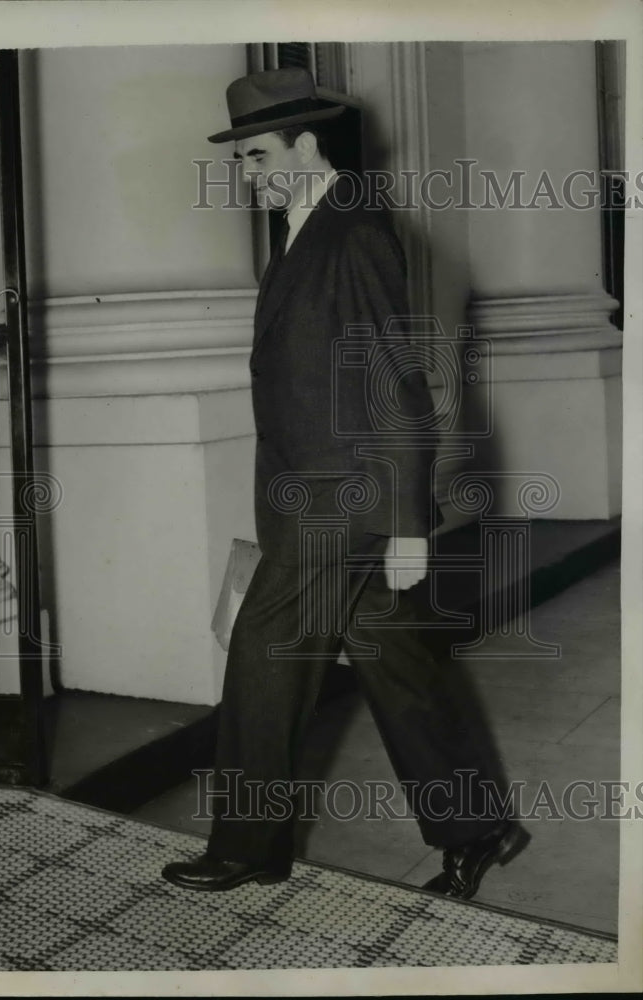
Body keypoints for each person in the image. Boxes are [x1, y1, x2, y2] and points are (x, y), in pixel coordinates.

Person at [162, 67, 529, 898]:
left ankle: (248, 847)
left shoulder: (353, 230)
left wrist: (406, 523)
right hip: (316, 494)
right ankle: (476, 826)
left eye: (257, 155)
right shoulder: (304, 227)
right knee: (393, 658)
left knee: (263, 651)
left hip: (344, 499)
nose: (246, 173)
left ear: (305, 145)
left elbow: (392, 383)